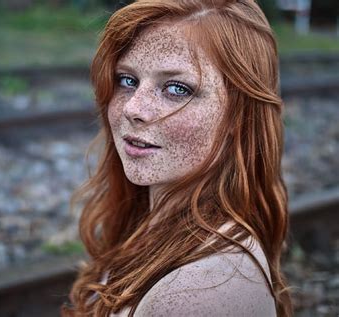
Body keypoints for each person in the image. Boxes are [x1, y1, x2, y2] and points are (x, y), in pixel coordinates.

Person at [62, 0, 292, 316]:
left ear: (240, 115)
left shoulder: (204, 292)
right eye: (127, 80)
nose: (133, 108)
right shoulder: (153, 222)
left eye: (176, 88)